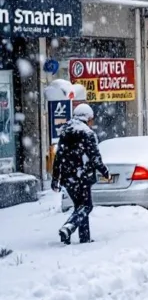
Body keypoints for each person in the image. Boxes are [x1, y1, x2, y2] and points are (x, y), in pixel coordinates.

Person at [51, 104, 108, 245]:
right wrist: (105, 172)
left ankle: (84, 238)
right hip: (83, 177)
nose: (92, 122)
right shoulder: (88, 134)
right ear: (87, 118)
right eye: (91, 119)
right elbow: (95, 157)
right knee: (86, 206)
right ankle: (69, 227)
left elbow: (58, 157)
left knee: (80, 206)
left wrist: (55, 178)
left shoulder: (65, 132)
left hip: (68, 178)